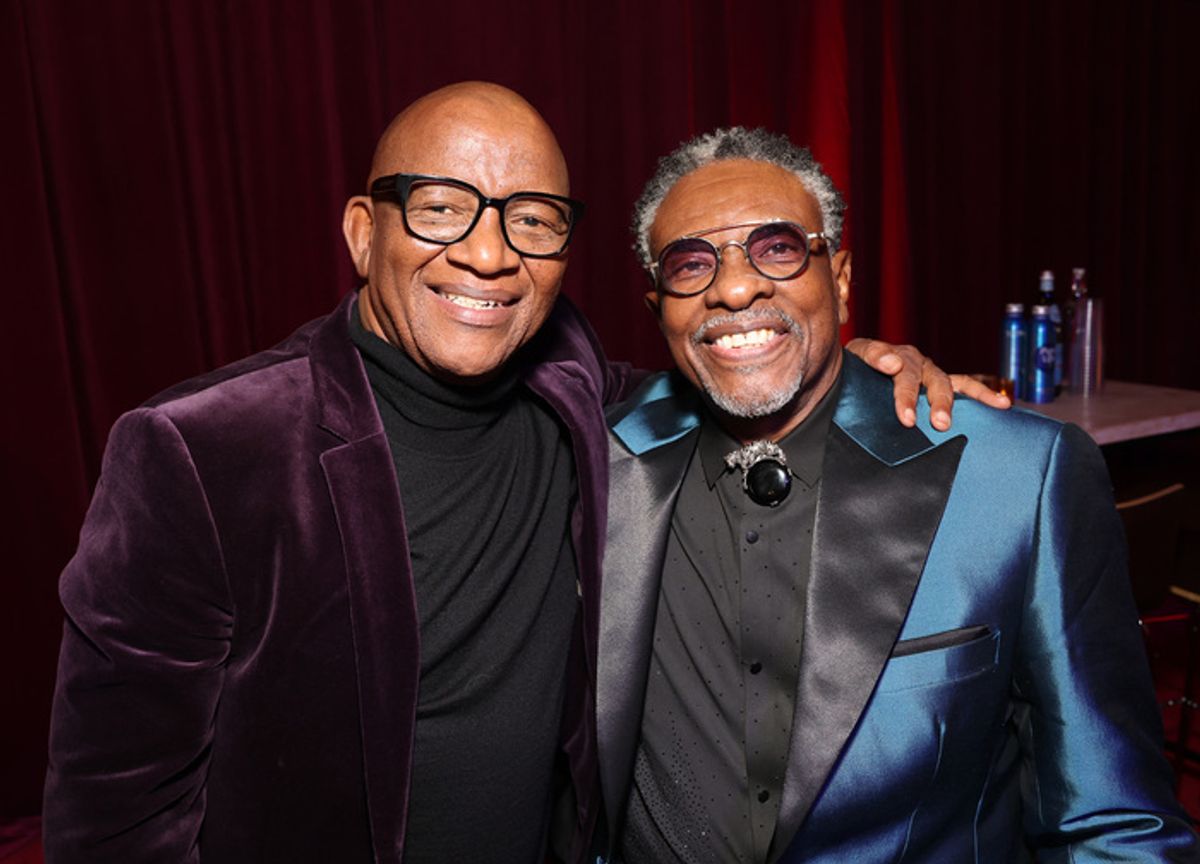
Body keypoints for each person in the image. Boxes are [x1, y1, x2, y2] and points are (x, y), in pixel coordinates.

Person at [43, 82, 995, 863]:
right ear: (363, 233)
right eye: (443, 208)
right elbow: (115, 814)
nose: (490, 253)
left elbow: (730, 374)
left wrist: (856, 364)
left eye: (531, 219)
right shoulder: (203, 451)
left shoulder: (578, 391)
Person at [597, 127, 1198, 863]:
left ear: (841, 279)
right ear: (658, 306)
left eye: (778, 247)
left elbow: (1116, 827)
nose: (734, 286)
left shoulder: (1016, 478)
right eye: (691, 264)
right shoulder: (594, 461)